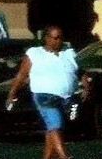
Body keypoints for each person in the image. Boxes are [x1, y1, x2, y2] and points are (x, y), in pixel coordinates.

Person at [7, 26, 79, 159]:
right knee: (55, 124)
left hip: (66, 97)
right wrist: (12, 93)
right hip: (44, 96)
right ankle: (64, 156)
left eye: (61, 38)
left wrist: (85, 83)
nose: (59, 41)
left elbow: (79, 71)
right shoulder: (34, 53)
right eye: (55, 38)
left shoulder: (69, 52)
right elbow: (21, 75)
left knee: (53, 129)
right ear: (46, 38)